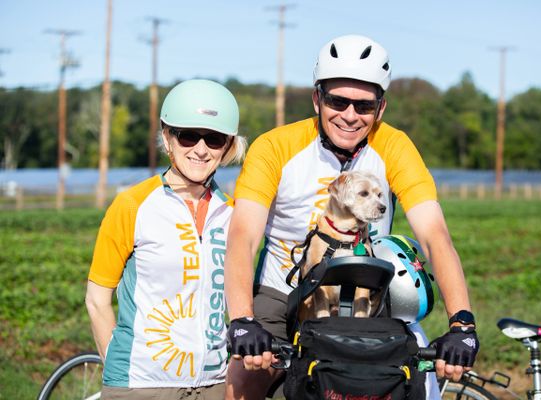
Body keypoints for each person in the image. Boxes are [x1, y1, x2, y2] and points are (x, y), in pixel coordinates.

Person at [224, 34, 479, 399]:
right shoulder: (275, 146)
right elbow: (243, 237)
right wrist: (243, 320)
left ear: (381, 108)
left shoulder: (394, 146)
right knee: (245, 378)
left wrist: (462, 322)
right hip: (282, 291)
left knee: (410, 381)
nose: (349, 115)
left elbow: (434, 235)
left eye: (364, 105)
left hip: (364, 292)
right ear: (317, 99)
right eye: (337, 101)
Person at [85, 79, 247, 399]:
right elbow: (97, 299)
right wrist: (120, 373)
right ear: (167, 137)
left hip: (213, 384)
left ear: (227, 146)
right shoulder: (133, 205)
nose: (200, 149)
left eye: (214, 139)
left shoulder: (232, 214)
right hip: (140, 385)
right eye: (188, 135)